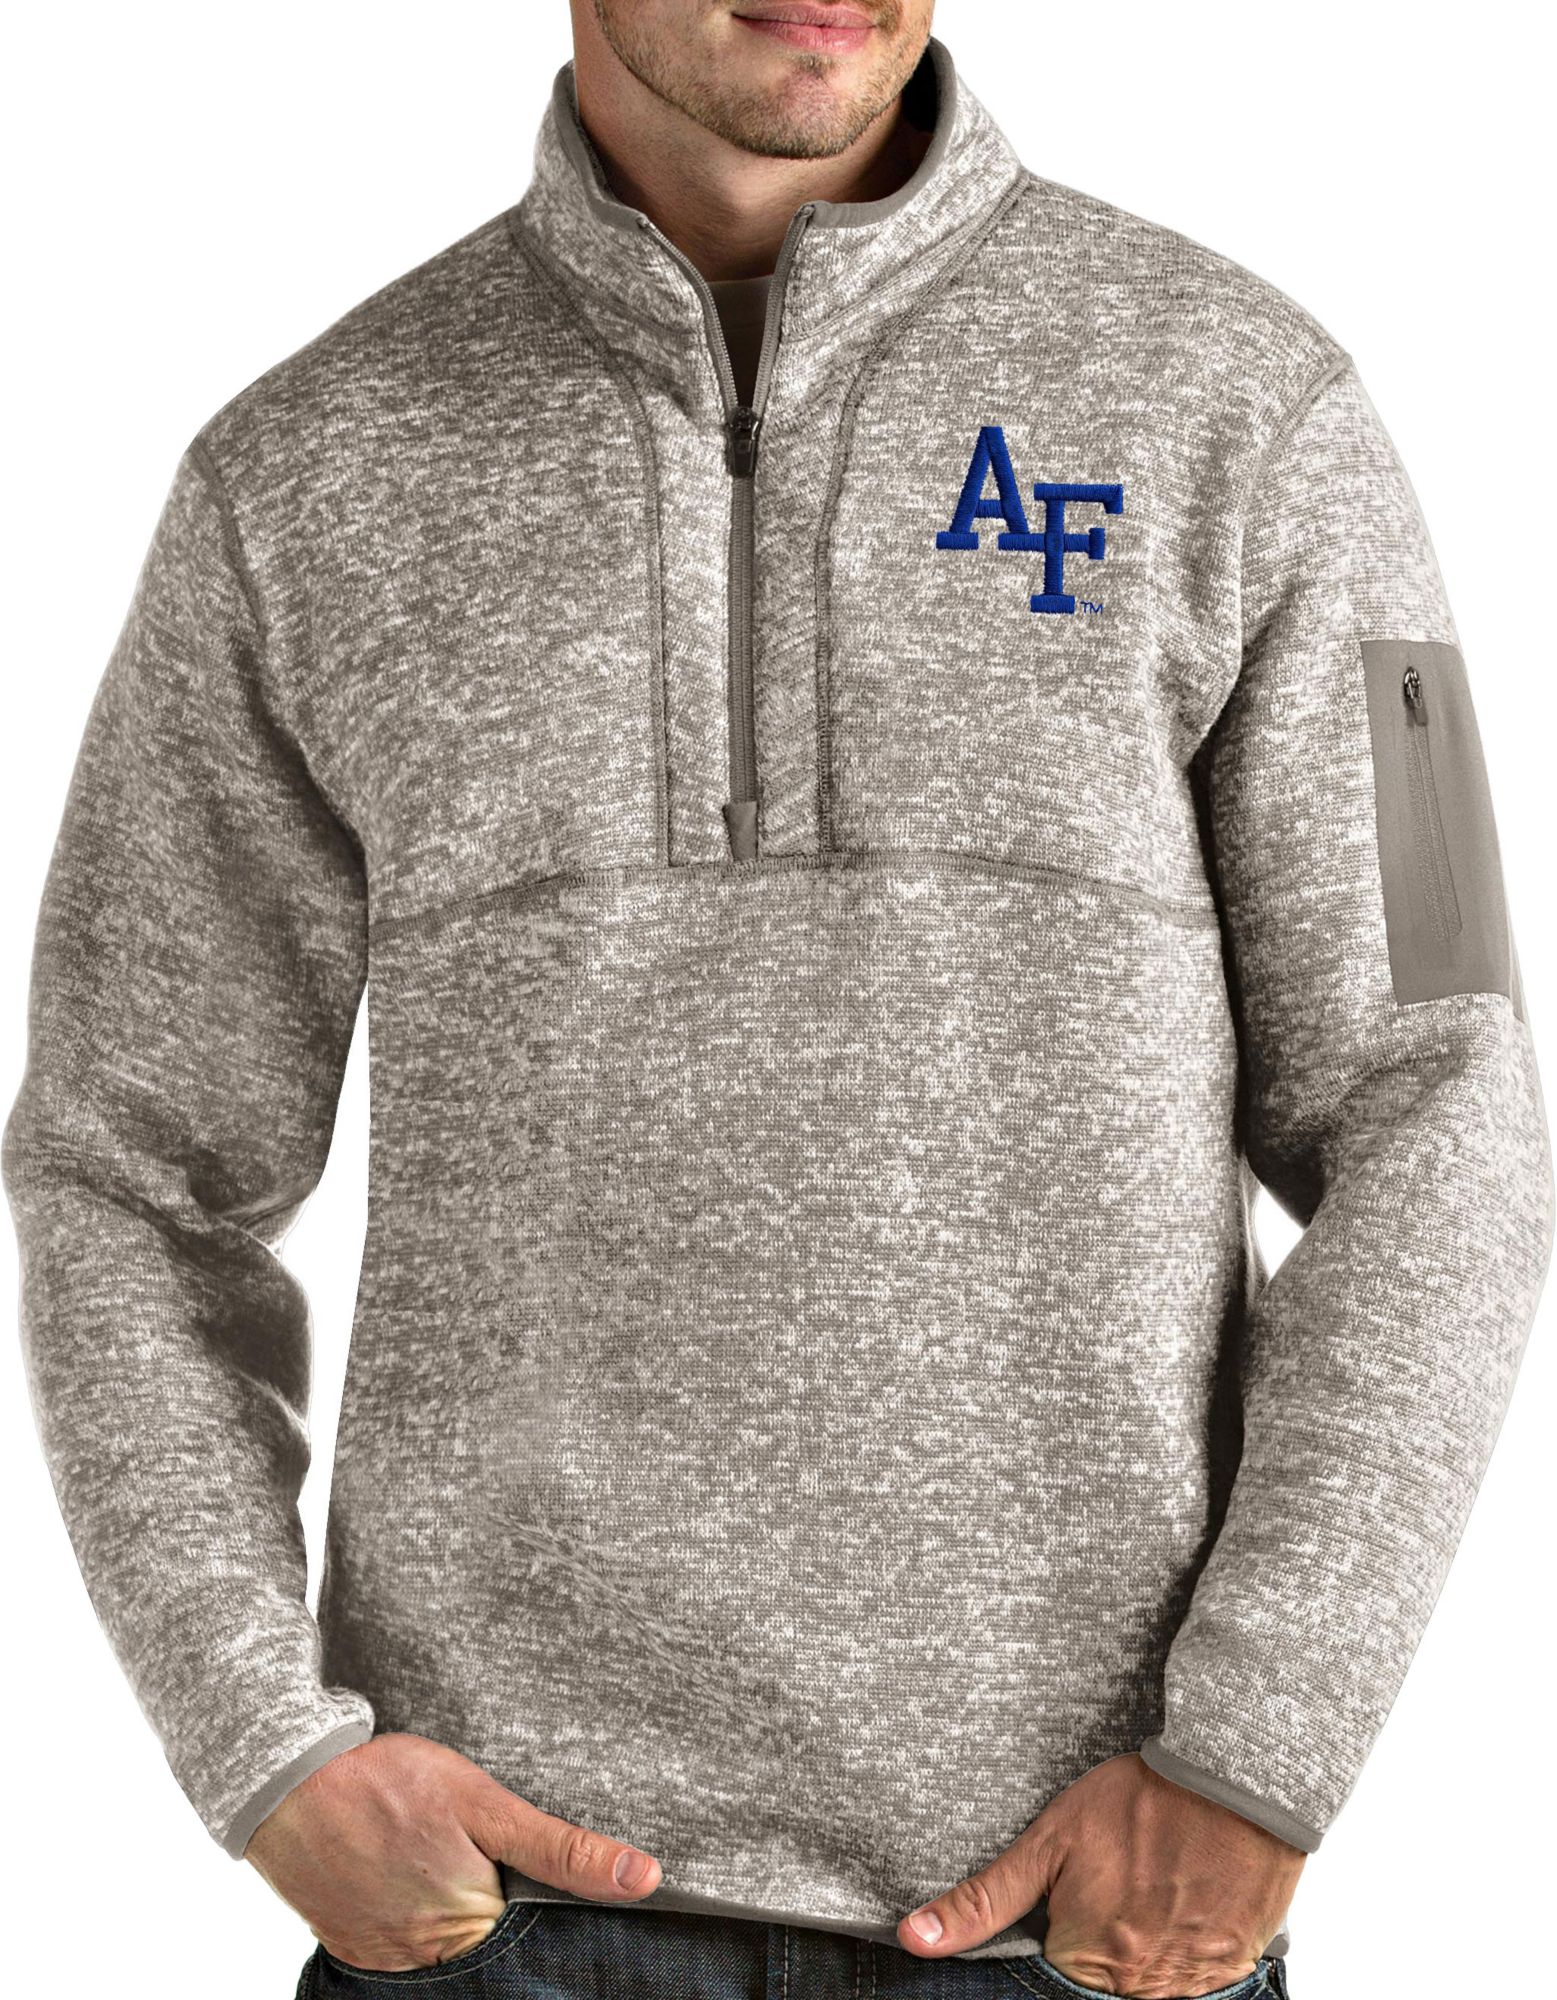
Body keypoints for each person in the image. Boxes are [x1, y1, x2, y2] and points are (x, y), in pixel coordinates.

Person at [7, 2, 1552, 1995]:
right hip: (501, 1929)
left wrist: (1258, 1755)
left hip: (1084, 1926)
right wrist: (261, 1746)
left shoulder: (1257, 409)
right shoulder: (299, 477)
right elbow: (131, 1167)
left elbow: (1445, 1093)